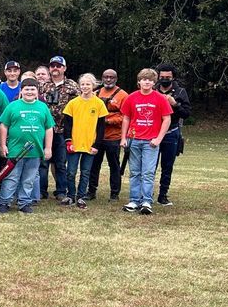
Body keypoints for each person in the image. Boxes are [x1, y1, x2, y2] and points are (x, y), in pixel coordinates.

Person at [120, 68, 172, 215]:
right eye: (144, 79)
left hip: (151, 142)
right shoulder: (131, 97)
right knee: (135, 172)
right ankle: (134, 200)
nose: (147, 82)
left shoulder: (160, 98)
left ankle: (146, 201)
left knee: (148, 172)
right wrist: (124, 138)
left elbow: (166, 119)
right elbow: (126, 118)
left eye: (150, 80)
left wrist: (159, 138)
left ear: (154, 82)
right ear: (139, 82)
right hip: (134, 139)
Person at [0, 79, 54, 214]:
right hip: (15, 151)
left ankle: (24, 202)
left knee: (29, 179)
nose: (29, 92)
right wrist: (2, 145)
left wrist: (48, 148)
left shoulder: (43, 107)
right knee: (12, 177)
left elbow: (49, 128)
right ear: (21, 91)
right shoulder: (12, 106)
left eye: (32, 89)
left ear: (37, 92)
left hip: (35, 151)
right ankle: (4, 202)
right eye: (26, 89)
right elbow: (4, 126)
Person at [62, 73, 108, 209]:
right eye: (83, 84)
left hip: (90, 144)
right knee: (70, 171)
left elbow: (101, 127)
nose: (85, 86)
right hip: (75, 144)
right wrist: (68, 141)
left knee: (86, 172)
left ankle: (81, 197)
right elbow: (67, 124)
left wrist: (96, 144)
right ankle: (70, 195)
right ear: (79, 86)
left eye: (88, 84)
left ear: (93, 86)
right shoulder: (73, 103)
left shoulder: (99, 103)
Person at [38, 55, 80, 203]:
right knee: (43, 162)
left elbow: (79, 106)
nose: (55, 68)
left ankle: (61, 191)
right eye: (52, 65)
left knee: (61, 163)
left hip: (63, 130)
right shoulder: (42, 85)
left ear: (64, 68)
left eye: (58, 65)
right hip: (44, 130)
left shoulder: (73, 86)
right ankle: (41, 191)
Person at [87, 69, 128, 201]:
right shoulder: (96, 93)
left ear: (116, 79)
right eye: (106, 77)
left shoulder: (123, 95)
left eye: (111, 77)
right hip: (97, 137)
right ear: (102, 78)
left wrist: (108, 121)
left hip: (113, 137)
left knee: (114, 166)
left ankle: (114, 193)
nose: (108, 80)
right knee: (94, 165)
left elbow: (125, 117)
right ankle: (91, 191)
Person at [155, 64, 191, 206]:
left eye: (168, 77)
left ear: (173, 77)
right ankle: (146, 195)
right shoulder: (152, 90)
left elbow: (187, 114)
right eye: (162, 77)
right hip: (153, 133)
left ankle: (163, 195)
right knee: (150, 166)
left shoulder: (181, 92)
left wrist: (175, 104)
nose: (164, 79)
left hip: (171, 133)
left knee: (167, 166)